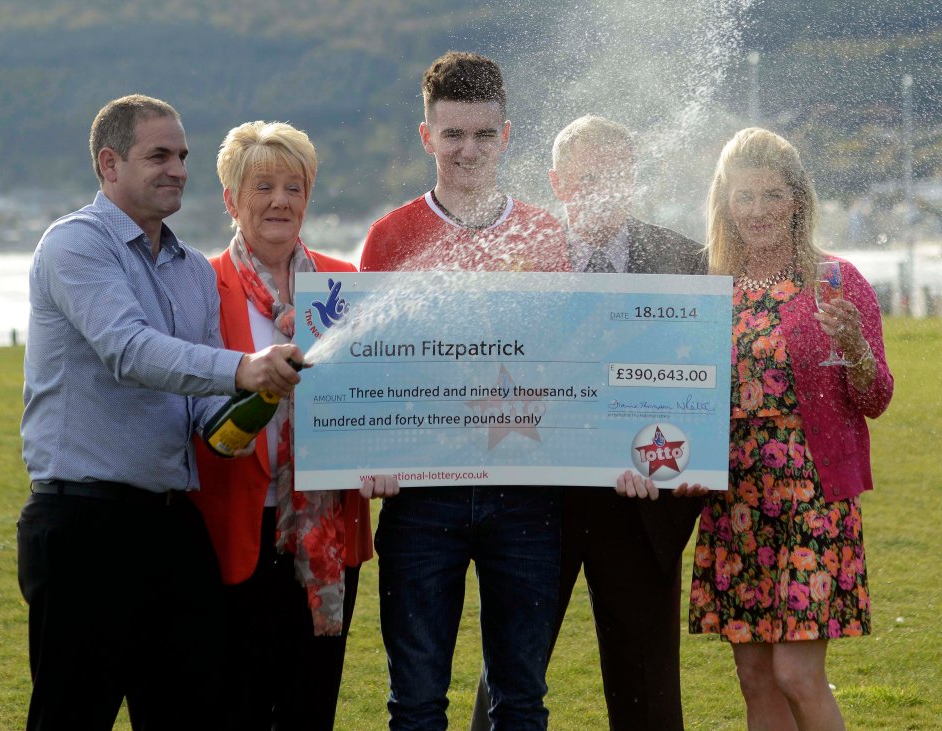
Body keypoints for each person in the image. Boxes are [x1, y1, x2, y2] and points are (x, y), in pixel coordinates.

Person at [17, 95, 303, 731]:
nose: (177, 168)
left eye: (182, 156)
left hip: (174, 526)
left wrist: (264, 395)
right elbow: (128, 350)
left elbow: (208, 419)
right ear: (109, 163)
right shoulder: (74, 245)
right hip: (82, 524)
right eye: (159, 155)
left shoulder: (193, 272)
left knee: (190, 716)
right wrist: (243, 367)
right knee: (71, 714)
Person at [470, 114, 708, 731]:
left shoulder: (686, 260)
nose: (598, 189)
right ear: (555, 181)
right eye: (583, 178)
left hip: (643, 503)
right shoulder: (514, 260)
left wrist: (691, 464)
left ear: (633, 178)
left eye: (612, 175)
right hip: (532, 504)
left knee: (649, 699)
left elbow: (703, 382)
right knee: (507, 688)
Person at [360, 51, 570, 730]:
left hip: (528, 493)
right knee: (416, 701)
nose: (468, 149)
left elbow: (571, 358)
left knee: (522, 698)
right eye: (452, 134)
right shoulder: (391, 236)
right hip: (420, 496)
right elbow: (368, 365)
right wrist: (371, 448)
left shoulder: (543, 231)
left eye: (483, 134)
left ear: (506, 135)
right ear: (427, 137)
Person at [687, 127, 893, 730]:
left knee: (796, 675)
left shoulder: (837, 279)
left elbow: (875, 396)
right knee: (755, 680)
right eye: (744, 196)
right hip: (735, 498)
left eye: (772, 196)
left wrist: (854, 344)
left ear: (798, 200)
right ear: (724, 202)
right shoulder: (708, 288)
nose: (758, 211)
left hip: (812, 494)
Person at [190, 120, 384, 731]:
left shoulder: (343, 282)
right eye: (262, 186)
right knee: (235, 703)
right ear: (230, 200)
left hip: (325, 526)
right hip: (232, 525)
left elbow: (377, 392)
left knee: (312, 701)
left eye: (294, 187)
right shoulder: (202, 284)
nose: (280, 200)